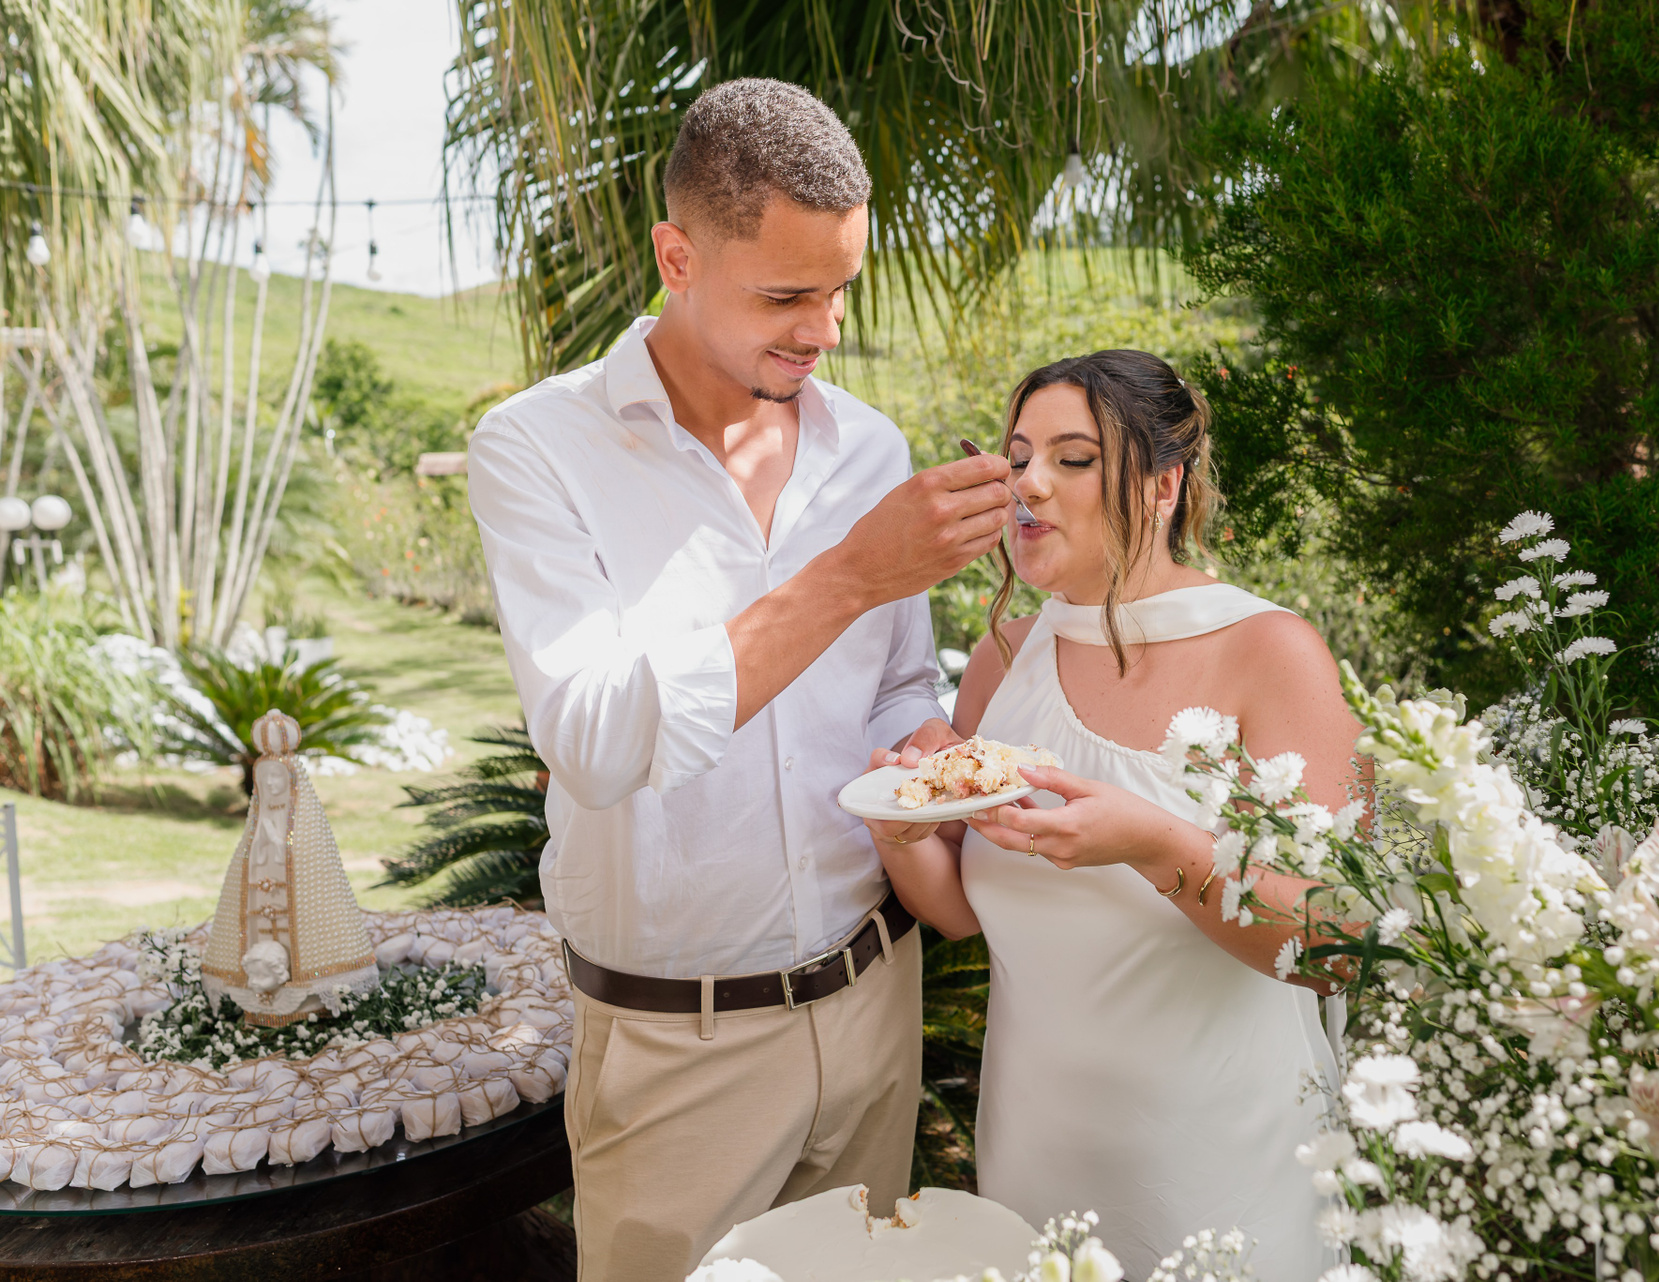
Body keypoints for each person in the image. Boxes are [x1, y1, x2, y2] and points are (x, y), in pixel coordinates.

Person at [466, 79, 1011, 1279]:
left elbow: (894, 686)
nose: (823, 331)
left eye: (839, 290)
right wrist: (851, 573)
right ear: (678, 257)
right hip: (678, 1054)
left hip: (875, 1009)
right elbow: (593, 740)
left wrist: (923, 748)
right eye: (784, 296)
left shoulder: (868, 446)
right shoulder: (537, 449)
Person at [862, 350, 1359, 1279]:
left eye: (1074, 460)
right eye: (1017, 458)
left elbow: (1334, 944)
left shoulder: (1269, 652)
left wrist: (1152, 844)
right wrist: (899, 833)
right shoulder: (1004, 657)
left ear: (1165, 484)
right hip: (1034, 1152)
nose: (1028, 485)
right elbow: (964, 909)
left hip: (1224, 1168)